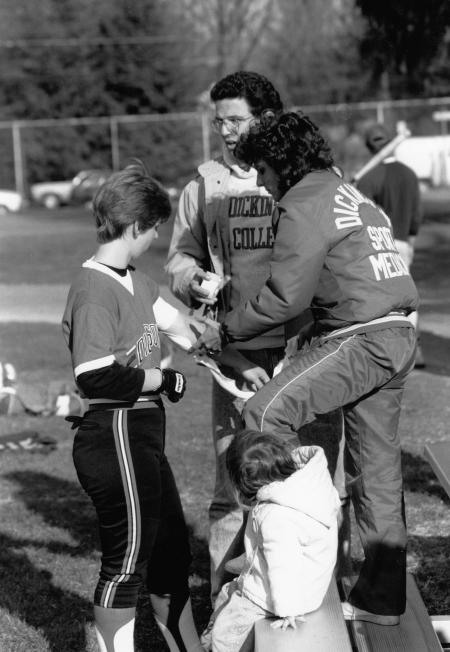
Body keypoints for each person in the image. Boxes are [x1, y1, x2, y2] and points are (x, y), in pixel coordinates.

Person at [195, 111, 419, 625]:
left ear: (280, 163)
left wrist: (224, 330)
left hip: (361, 337)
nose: (266, 186)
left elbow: (282, 298)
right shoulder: (350, 193)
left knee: (263, 413)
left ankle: (285, 561)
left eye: (265, 173)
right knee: (375, 469)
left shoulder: (302, 201)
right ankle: (380, 600)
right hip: (399, 331)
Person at [166, 71, 342, 606]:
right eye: (219, 121)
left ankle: (314, 599)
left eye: (236, 120)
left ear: (266, 118)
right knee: (233, 487)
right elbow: (179, 257)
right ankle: (229, 602)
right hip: (237, 356)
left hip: (309, 350)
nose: (225, 131)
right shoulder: (203, 184)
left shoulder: (311, 176)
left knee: (315, 480)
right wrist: (192, 278)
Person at [62, 165, 204, 652]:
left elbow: (179, 326)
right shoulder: (93, 290)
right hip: (114, 430)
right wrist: (161, 377)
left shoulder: (134, 282)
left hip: (142, 433)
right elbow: (95, 374)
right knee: (127, 562)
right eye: (156, 228)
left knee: (170, 556)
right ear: (137, 226)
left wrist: (214, 321)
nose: (157, 238)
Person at [205, 430, 340, 652]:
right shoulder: (308, 485)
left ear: (243, 484)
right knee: (227, 592)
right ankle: (250, 563)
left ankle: (217, 646)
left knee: (226, 634)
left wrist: (287, 609)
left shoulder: (275, 516)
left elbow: (284, 566)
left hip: (278, 598)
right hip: (312, 585)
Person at [357, 122, 425, 367]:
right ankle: (411, 348)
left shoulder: (367, 178)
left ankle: (389, 351)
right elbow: (416, 214)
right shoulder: (409, 173)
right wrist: (411, 240)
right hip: (404, 242)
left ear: (368, 146)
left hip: (376, 246)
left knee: (382, 301)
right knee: (407, 298)